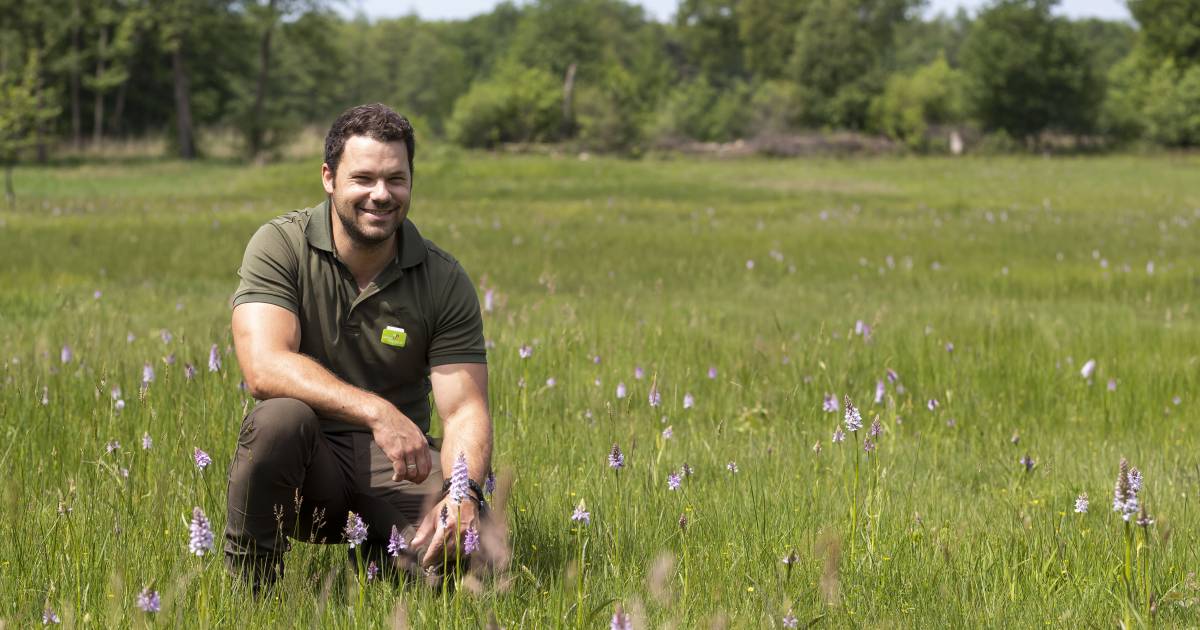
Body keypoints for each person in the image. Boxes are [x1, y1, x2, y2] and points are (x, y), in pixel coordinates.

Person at [223, 103, 491, 590]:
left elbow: (465, 409)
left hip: (397, 467)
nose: (381, 194)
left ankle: (383, 558)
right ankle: (251, 590)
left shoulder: (443, 278)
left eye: (396, 179)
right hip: (308, 465)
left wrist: (463, 493)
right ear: (328, 178)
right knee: (278, 420)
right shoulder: (280, 245)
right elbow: (263, 368)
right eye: (363, 178)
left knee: (467, 562)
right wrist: (377, 412)